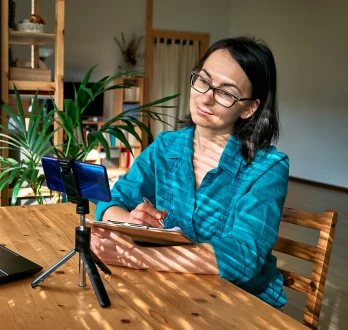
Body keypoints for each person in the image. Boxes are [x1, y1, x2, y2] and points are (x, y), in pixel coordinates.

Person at [91, 36, 289, 309]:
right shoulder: (166, 147)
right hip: (172, 290)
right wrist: (132, 222)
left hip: (240, 305)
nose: (205, 98)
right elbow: (110, 200)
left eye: (226, 93)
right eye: (203, 81)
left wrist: (138, 257)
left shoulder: (267, 168)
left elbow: (242, 255)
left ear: (250, 107)